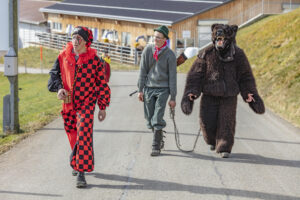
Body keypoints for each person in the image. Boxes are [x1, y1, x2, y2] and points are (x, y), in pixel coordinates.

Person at [48, 26, 111, 188]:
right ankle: (76, 159)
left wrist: (102, 106)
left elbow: (102, 84)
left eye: (79, 39)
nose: (75, 42)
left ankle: (81, 173)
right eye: (73, 38)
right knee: (72, 134)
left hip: (87, 103)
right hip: (68, 102)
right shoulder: (63, 56)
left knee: (83, 134)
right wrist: (59, 88)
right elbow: (54, 75)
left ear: (86, 43)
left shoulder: (95, 61)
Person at [137, 25, 177, 156]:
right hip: (149, 87)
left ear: (165, 39)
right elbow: (142, 70)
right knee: (149, 119)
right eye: (154, 37)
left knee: (158, 116)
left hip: (163, 89)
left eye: (159, 38)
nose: (156, 40)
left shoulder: (170, 54)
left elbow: (173, 77)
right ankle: (159, 138)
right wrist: (140, 89)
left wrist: (173, 97)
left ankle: (155, 145)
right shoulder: (148, 50)